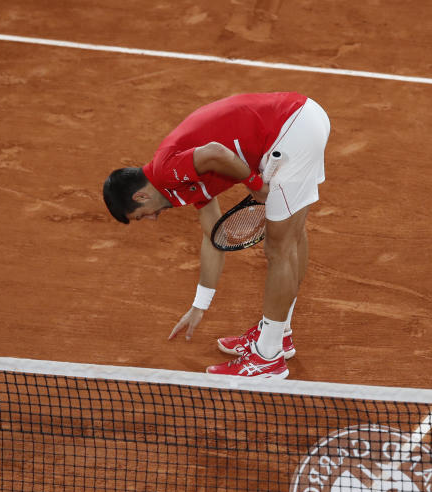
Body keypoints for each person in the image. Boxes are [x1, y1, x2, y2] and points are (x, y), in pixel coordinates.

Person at [103, 92, 330, 379]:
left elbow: (216, 152)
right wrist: (199, 306)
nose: (150, 219)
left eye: (141, 215)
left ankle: (268, 357)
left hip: (289, 131)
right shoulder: (180, 184)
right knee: (292, 236)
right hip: (301, 120)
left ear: (141, 195)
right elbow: (215, 238)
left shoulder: (166, 170)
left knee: (279, 247)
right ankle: (278, 334)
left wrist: (254, 183)